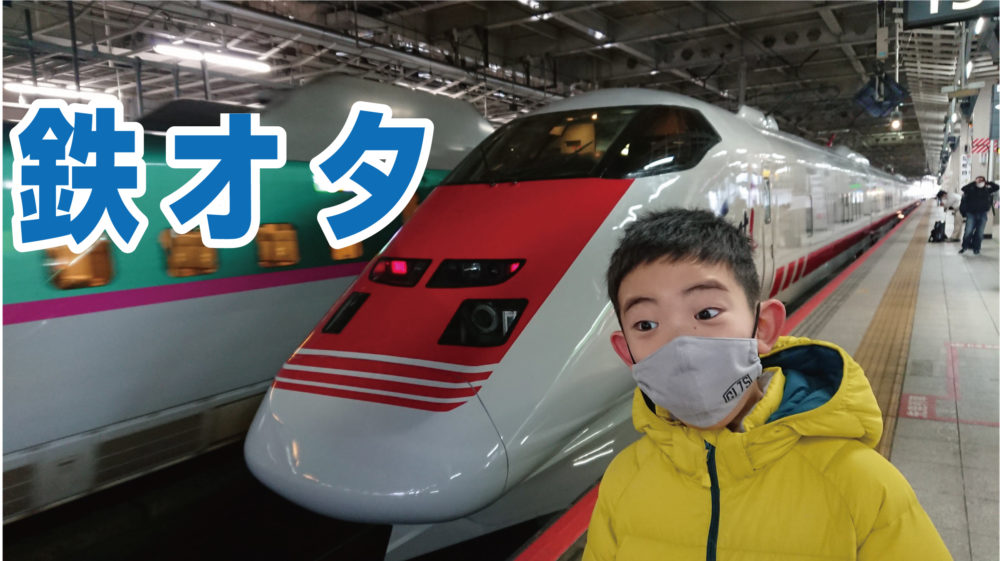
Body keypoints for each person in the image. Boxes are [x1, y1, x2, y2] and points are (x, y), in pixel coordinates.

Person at [583, 208, 952, 560]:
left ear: (763, 328)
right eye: (646, 325)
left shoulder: (862, 485)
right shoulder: (623, 481)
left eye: (707, 313)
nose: (679, 343)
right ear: (627, 352)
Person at [958, 175, 999, 254]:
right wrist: (974, 183)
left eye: (982, 180)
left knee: (979, 233)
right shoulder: (971, 189)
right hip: (971, 214)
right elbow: (963, 188)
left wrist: (988, 182)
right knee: (968, 231)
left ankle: (976, 248)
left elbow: (997, 187)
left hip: (983, 214)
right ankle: (964, 247)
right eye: (978, 180)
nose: (980, 182)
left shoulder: (987, 190)